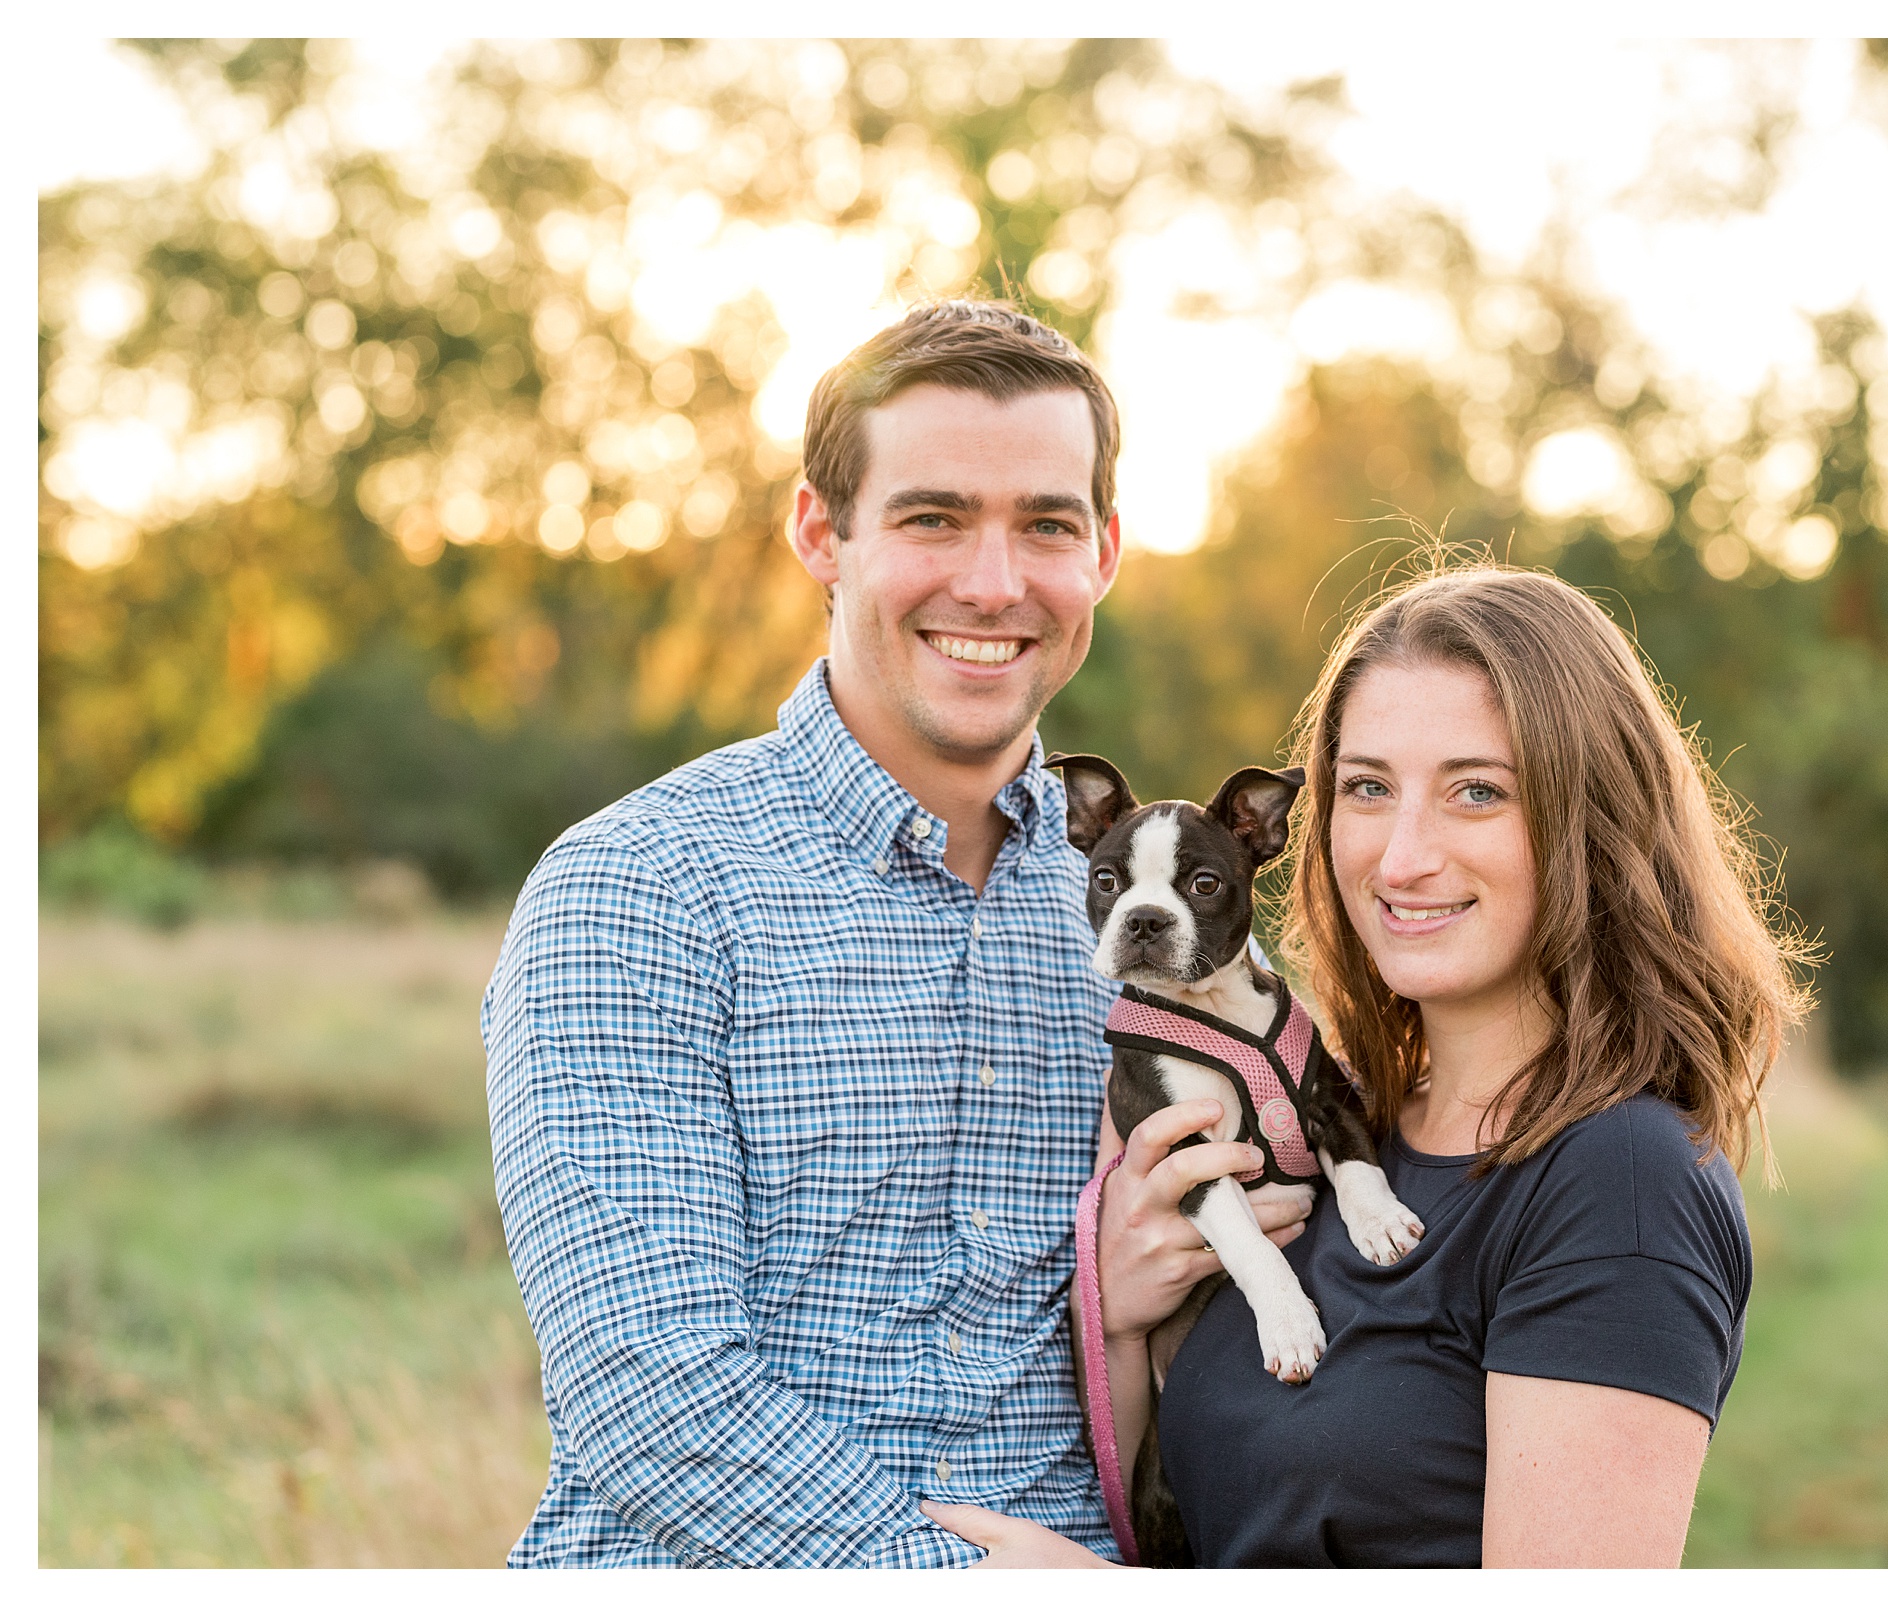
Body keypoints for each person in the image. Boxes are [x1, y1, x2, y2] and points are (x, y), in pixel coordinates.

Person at [482, 299, 1312, 1568]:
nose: (993, 582)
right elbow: (652, 1395)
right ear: (822, 531)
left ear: (1103, 553)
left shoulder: (1157, 917)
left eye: (1045, 523)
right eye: (932, 517)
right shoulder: (639, 891)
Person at [933, 564, 1806, 1566]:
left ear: (1588, 822)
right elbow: (1203, 1518)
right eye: (1367, 787)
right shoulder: (1335, 1126)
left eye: (1477, 790)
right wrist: (1125, 1318)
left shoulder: (1620, 1181)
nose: (1400, 856)